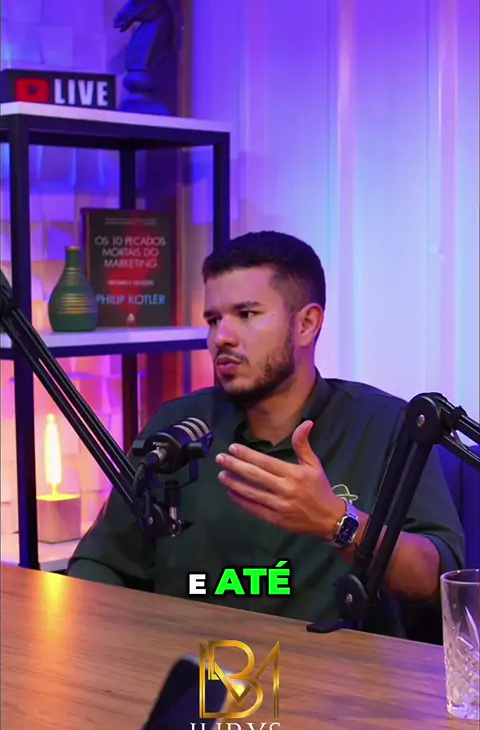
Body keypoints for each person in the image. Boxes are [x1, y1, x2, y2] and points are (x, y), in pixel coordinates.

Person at [67, 231, 465, 635]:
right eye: (213, 320)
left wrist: (337, 522)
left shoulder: (384, 425)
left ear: (306, 324)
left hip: (334, 669)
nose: (221, 337)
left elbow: (436, 580)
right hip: (194, 664)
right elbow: (101, 564)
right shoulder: (176, 426)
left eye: (246, 314)